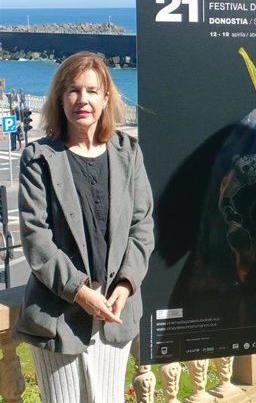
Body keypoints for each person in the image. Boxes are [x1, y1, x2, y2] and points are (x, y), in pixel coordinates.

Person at [13, 51, 155, 403]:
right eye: (73, 90)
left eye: (92, 91)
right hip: (57, 320)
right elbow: (36, 238)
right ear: (60, 98)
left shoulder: (128, 153)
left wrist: (126, 283)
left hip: (113, 317)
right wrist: (79, 291)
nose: (83, 100)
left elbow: (142, 226)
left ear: (106, 97)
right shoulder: (39, 158)